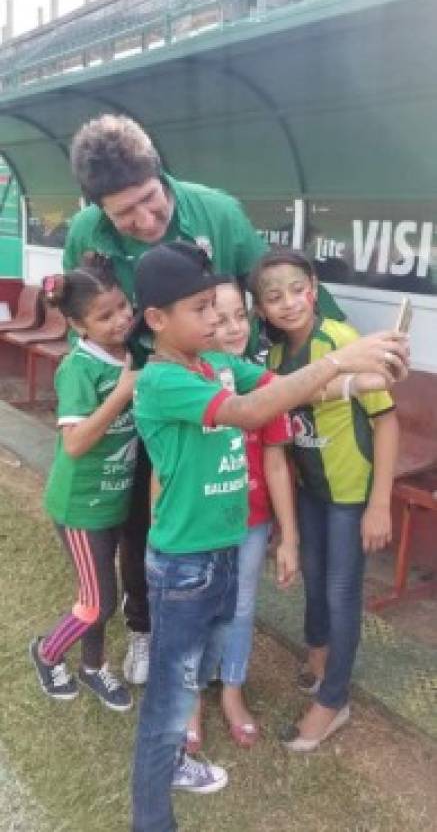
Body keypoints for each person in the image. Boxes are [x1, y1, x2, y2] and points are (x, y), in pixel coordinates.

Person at [129, 240, 407, 831]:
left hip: (222, 553)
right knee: (171, 696)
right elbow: (253, 413)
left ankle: (182, 748)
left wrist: (358, 378)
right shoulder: (161, 381)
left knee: (204, 661)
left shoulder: (217, 364)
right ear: (157, 320)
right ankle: (151, 817)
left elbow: (291, 390)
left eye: (218, 307)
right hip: (185, 564)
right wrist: (340, 360)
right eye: (201, 308)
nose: (215, 320)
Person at [64, 113, 345, 685]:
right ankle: (144, 628)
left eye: (149, 200)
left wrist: (340, 343)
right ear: (98, 211)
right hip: (153, 396)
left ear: (159, 172)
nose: (144, 220)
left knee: (222, 515)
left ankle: (215, 640)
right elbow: (85, 321)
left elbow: (275, 283)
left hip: (220, 389)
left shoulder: (217, 213)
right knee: (144, 520)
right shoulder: (84, 234)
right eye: (124, 214)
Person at [249, 248, 399, 751]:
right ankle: (319, 660)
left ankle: (334, 700)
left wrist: (379, 503)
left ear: (313, 288)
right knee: (314, 581)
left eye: (297, 289)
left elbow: (386, 420)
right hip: (311, 490)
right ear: (262, 310)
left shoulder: (342, 340)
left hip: (350, 494)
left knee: (340, 593)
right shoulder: (273, 357)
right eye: (274, 297)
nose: (289, 303)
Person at [186, 278, 298, 753]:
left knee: (240, 607)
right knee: (196, 610)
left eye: (240, 317)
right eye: (219, 316)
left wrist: (288, 536)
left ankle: (232, 691)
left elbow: (276, 464)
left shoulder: (260, 384)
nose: (231, 328)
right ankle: (190, 700)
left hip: (251, 523)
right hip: (198, 525)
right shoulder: (185, 380)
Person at [29, 255, 137, 712]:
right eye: (105, 316)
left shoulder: (132, 353)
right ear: (77, 325)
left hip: (117, 501)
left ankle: (93, 669)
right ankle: (47, 652)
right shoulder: (79, 368)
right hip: (81, 508)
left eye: (123, 307)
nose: (120, 321)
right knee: (97, 602)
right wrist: (122, 391)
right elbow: (73, 444)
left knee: (99, 595)